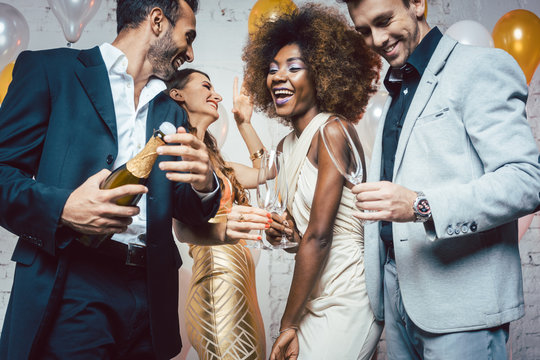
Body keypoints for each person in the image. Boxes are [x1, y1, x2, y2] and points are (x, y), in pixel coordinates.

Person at [0, 1, 224, 359]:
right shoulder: (49, 70)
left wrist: (204, 184)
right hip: (72, 284)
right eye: (188, 36)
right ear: (156, 20)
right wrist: (63, 208)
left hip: (150, 298)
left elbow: (187, 211)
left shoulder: (170, 109)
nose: (191, 52)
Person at [338, 0, 540, 358]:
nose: (377, 39)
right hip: (400, 298)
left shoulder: (481, 67)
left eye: (384, 21)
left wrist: (419, 205)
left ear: (417, 3)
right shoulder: (398, 89)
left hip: (463, 310)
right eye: (364, 31)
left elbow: (526, 180)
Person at [241, 4, 383, 359]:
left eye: (293, 67)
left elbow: (319, 238)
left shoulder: (333, 131)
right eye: (272, 70)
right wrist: (285, 233)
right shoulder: (284, 147)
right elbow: (301, 235)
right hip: (311, 294)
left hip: (349, 294)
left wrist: (286, 324)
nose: (277, 77)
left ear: (321, 73)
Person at [165, 68, 271, 359]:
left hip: (240, 281)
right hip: (216, 281)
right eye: (206, 87)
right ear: (178, 95)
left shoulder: (218, 163)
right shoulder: (175, 150)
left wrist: (245, 123)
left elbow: (269, 171)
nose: (218, 95)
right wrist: (224, 231)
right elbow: (180, 228)